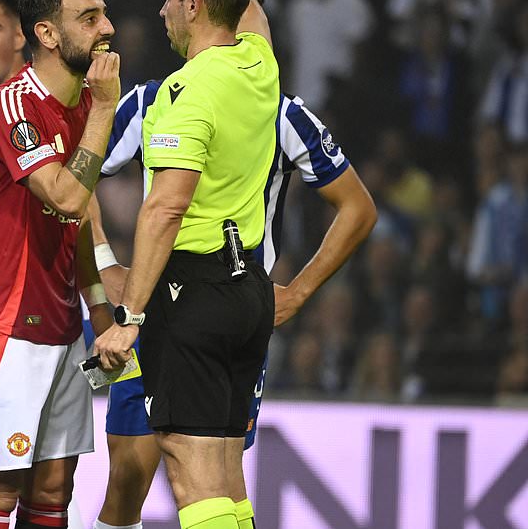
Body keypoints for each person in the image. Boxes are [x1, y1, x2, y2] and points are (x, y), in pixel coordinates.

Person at [92, 84, 376, 529]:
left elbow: (358, 207)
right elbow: (76, 176)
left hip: (224, 313)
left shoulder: (281, 114)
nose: (165, 10)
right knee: (131, 479)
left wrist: (299, 292)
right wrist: (103, 263)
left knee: (214, 476)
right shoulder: (151, 101)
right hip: (151, 313)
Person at [90, 0, 281, 529]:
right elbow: (249, 9)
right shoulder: (258, 63)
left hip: (192, 293)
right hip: (248, 288)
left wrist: (130, 317)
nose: (162, 8)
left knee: (190, 469)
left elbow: (164, 210)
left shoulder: (182, 92)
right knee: (226, 473)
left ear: (195, 5)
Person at [0, 0, 119, 529]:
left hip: (62, 326)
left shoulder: (79, 106)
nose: (108, 29)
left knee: (53, 491)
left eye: (104, 15)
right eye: (90, 19)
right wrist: (103, 111)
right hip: (5, 325)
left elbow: (79, 222)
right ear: (47, 34)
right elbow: (67, 198)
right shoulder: (11, 104)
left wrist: (98, 312)